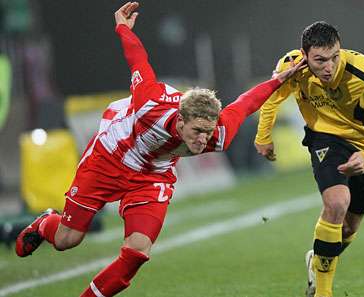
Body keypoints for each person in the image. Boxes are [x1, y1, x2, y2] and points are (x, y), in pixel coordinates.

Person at [15, 2, 305, 296]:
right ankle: (44, 224)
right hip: (109, 159)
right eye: (197, 131)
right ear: (180, 120)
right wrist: (123, 28)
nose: (203, 139)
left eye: (207, 131)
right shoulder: (150, 106)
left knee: (137, 253)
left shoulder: (218, 133)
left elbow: (244, 105)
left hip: (153, 175)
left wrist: (277, 81)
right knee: (67, 239)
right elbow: (138, 61)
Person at [254, 21, 364, 297]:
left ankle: (316, 260)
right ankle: (323, 292)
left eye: (334, 57)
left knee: (349, 228)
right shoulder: (292, 67)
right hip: (325, 138)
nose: (329, 66)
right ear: (305, 56)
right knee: (337, 202)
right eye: (320, 60)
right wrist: (263, 136)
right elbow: (272, 95)